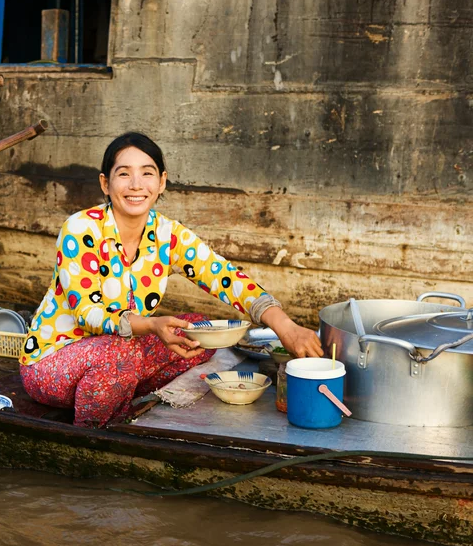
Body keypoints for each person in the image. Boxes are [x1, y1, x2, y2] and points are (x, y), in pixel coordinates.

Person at [19, 132, 323, 428]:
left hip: (120, 354)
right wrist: (152, 325)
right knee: (117, 355)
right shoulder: (81, 229)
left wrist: (286, 327)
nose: (136, 185)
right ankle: (94, 435)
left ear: (162, 181)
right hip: (53, 364)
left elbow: (222, 275)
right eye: (123, 174)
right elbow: (88, 315)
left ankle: (116, 389)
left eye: (147, 173)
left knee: (196, 331)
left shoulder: (167, 233)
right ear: (105, 184)